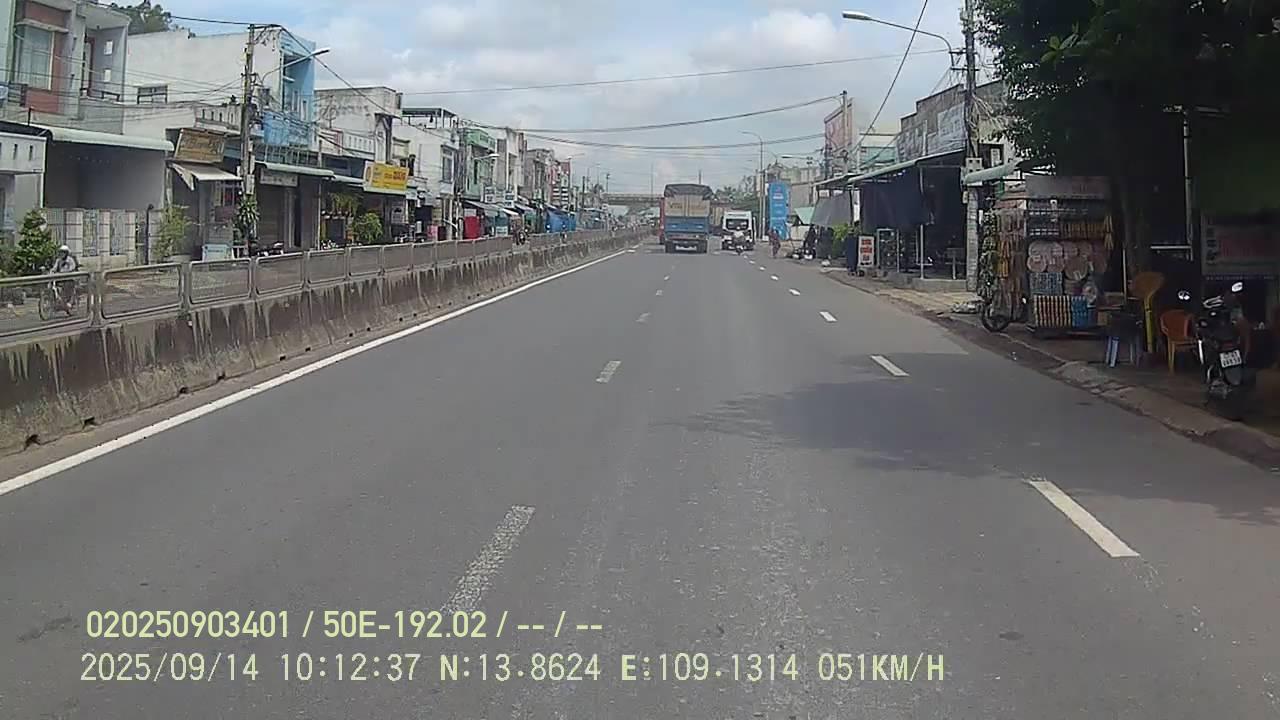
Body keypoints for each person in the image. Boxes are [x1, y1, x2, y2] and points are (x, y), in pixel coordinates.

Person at [49, 244, 79, 313]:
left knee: (68, 287)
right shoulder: (58, 260)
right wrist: (52, 271)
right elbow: (54, 268)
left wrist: (66, 271)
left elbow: (72, 267)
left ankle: (70, 302)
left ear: (66, 253)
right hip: (60, 278)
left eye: (63, 252)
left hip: (69, 278)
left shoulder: (70, 260)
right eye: (61, 252)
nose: (62, 254)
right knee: (54, 285)